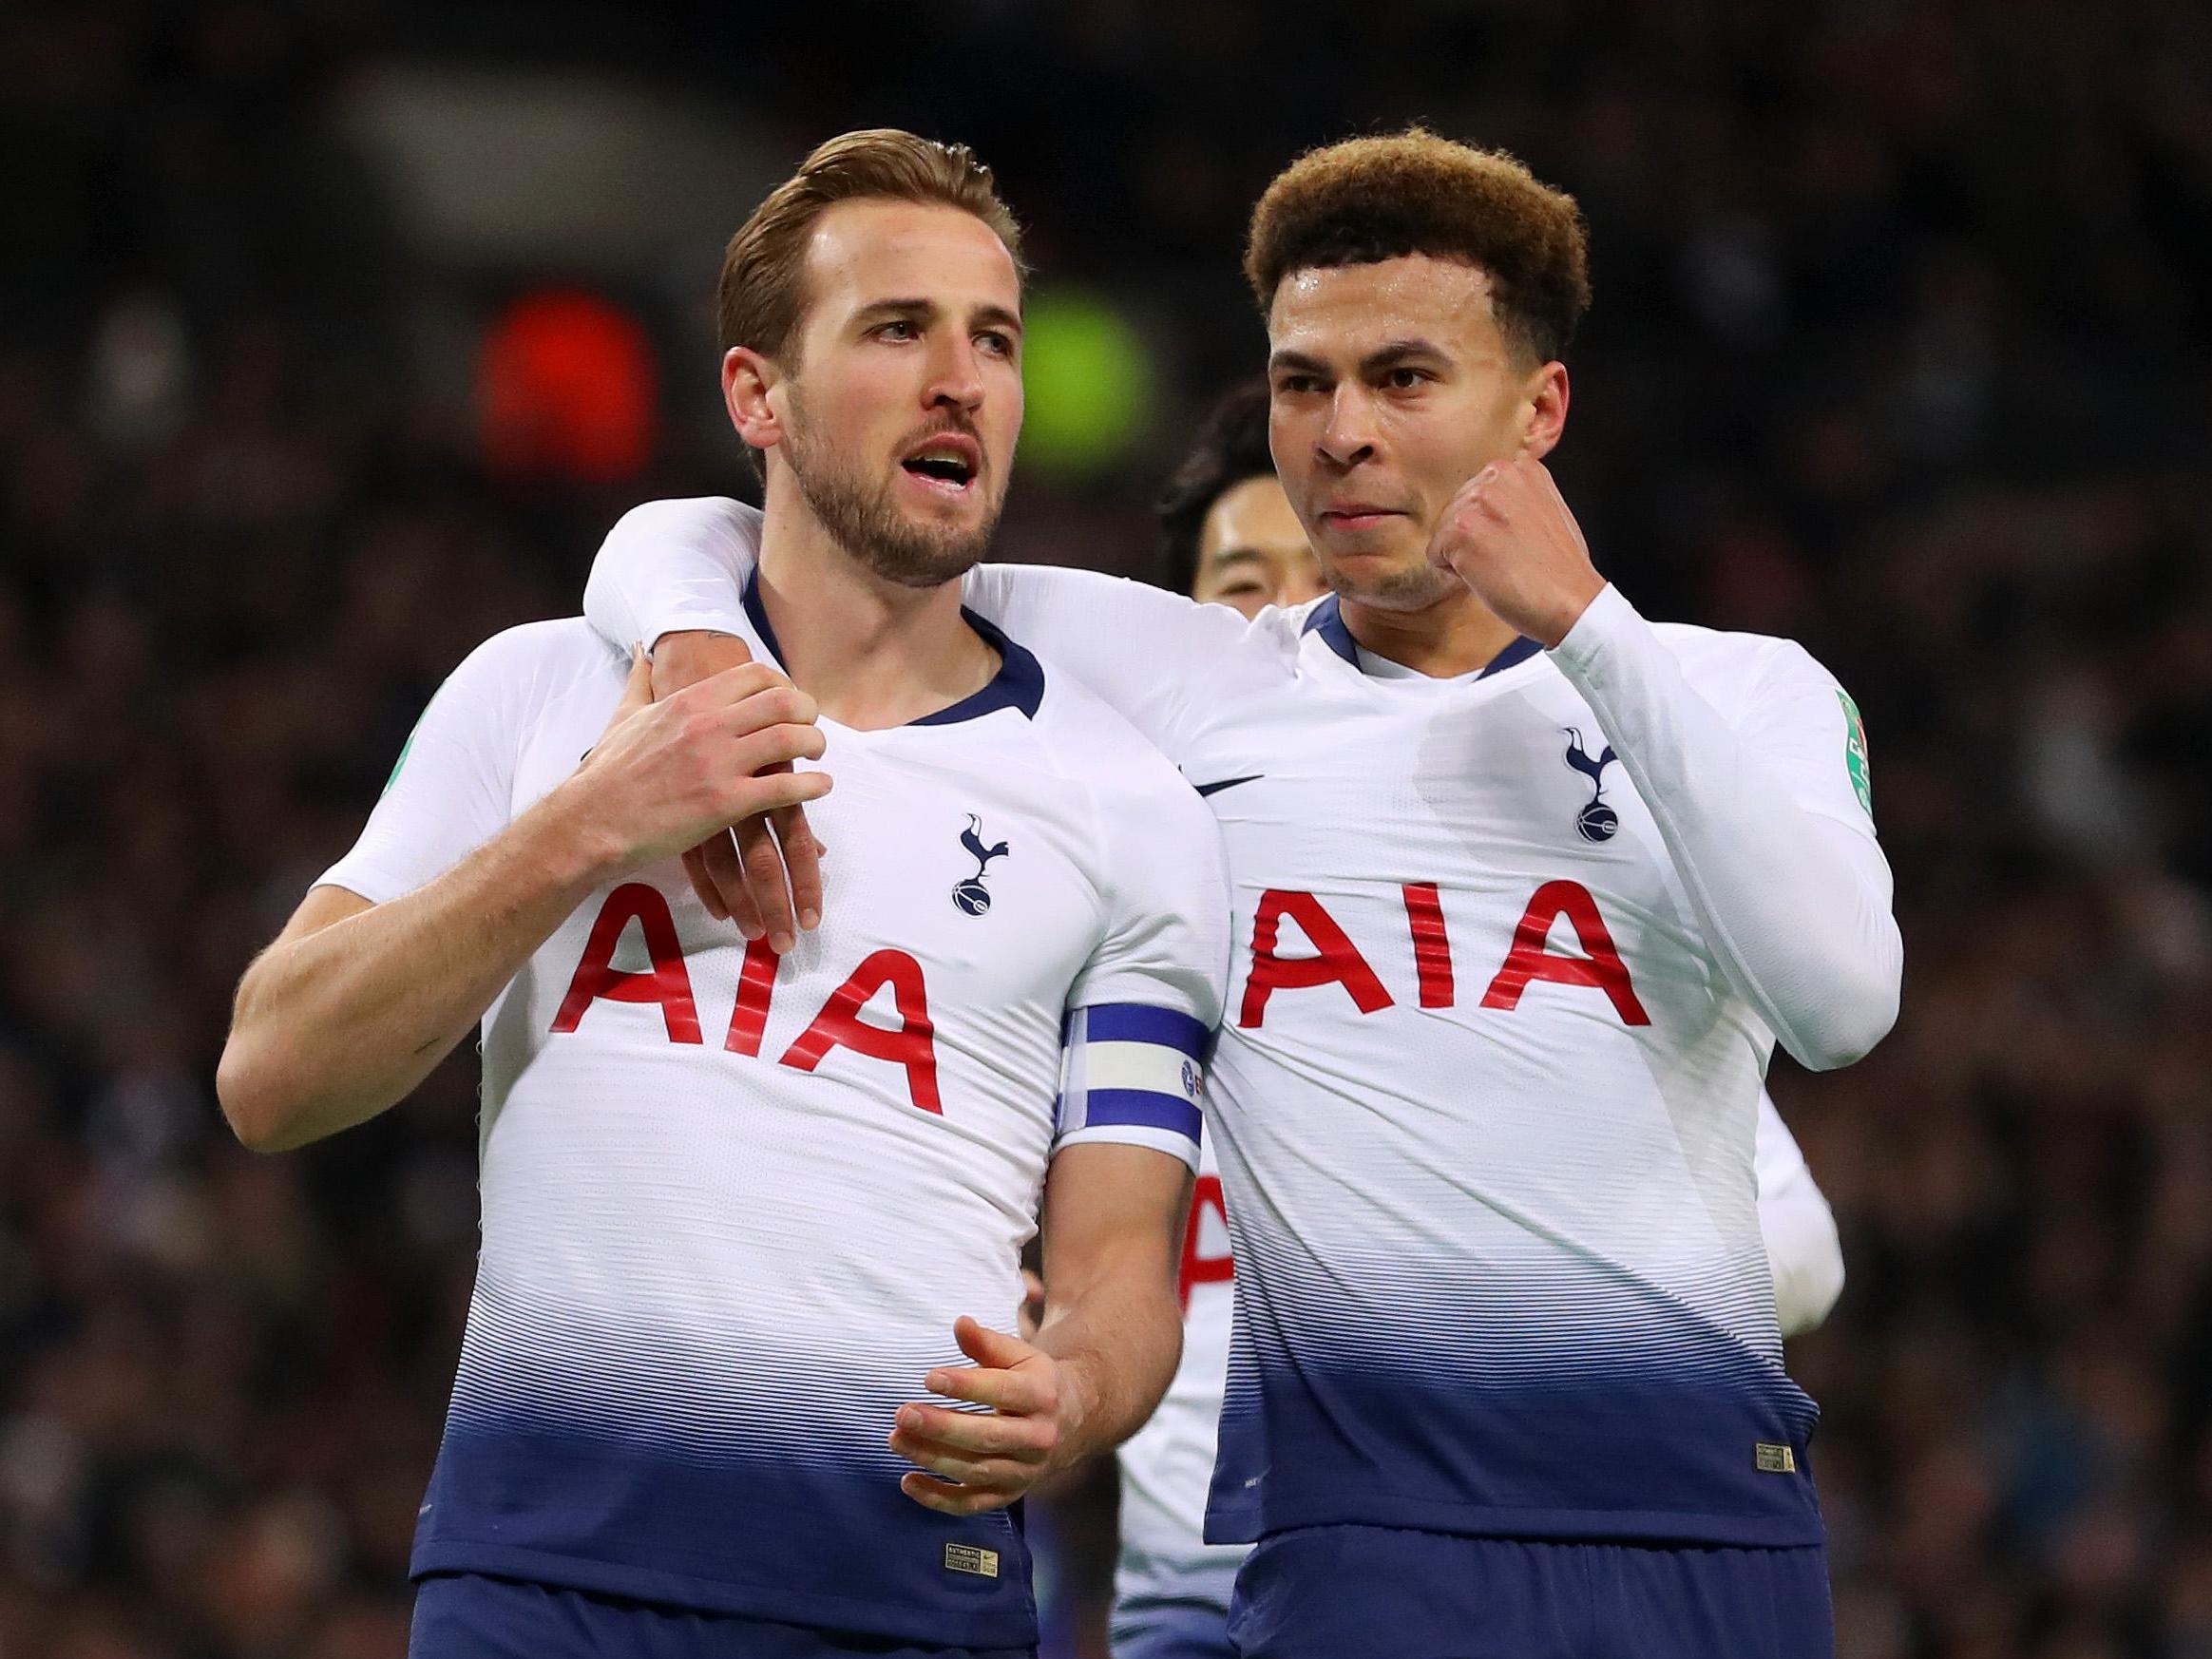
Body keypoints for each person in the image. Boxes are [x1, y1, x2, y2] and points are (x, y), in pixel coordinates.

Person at [585, 128, 1901, 1658]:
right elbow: (727, 536)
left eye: (1403, 378)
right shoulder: (1192, 684)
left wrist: (1592, 627)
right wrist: (693, 641)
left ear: (1538, 409)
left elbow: (1843, 1004)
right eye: (1302, 383)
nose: (1340, 434)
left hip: (1710, 1527)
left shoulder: (1747, 690)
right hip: (1367, 1553)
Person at [217, 129, 1231, 1659]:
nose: (963, 378)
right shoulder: (543, 689)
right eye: (898, 329)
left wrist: (1073, 1394)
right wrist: (588, 824)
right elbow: (272, 1072)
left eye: (995, 339)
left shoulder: (1130, 807)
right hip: (538, 1577)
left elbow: (1116, 1272)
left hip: (906, 1591)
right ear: (757, 394)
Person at [1104, 382, 1847, 1659]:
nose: (1294, 609)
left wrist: (1512, 1275)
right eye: (1243, 584)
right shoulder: (1127, 918)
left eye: (1313, 570)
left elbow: (1801, 1241)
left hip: (1476, 1531)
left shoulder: (1514, 962)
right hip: (1201, 1580)